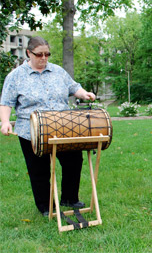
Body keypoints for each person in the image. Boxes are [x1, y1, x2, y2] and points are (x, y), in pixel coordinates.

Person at [0, 36, 96, 217]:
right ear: (29, 53)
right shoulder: (15, 77)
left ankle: (69, 198)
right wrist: (5, 122)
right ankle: (46, 206)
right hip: (31, 132)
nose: (44, 58)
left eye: (47, 54)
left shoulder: (58, 71)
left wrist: (85, 94)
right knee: (39, 169)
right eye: (39, 55)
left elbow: (73, 87)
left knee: (74, 161)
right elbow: (6, 102)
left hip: (63, 128)